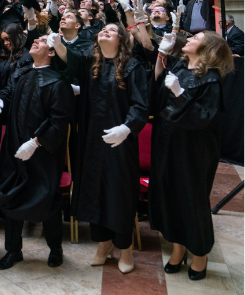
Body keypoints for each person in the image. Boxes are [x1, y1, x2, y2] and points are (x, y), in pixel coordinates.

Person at [0, 35, 73, 270]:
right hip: (14, 147)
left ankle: (55, 248)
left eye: (42, 41)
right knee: (12, 198)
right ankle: (13, 251)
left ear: (52, 53)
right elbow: (8, 92)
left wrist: (36, 143)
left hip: (42, 153)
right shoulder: (20, 73)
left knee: (47, 199)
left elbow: (59, 121)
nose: (36, 41)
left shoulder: (58, 82)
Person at [56, 24, 148, 274]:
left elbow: (140, 105)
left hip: (119, 143)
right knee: (94, 192)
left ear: (122, 39)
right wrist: (58, 44)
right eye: (103, 29)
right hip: (91, 142)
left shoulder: (133, 67)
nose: (105, 31)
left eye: (111, 29)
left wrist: (127, 128)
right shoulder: (90, 64)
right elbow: (70, 61)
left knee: (118, 194)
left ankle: (125, 248)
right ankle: (103, 245)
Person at [150, 30, 234, 281]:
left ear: (207, 47)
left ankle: (199, 254)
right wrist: (161, 54)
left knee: (191, 200)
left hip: (194, 149)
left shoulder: (211, 79)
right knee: (169, 195)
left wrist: (180, 93)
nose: (188, 39)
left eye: (195, 38)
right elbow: (157, 84)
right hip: (168, 141)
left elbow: (204, 118)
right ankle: (177, 248)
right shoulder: (179, 66)